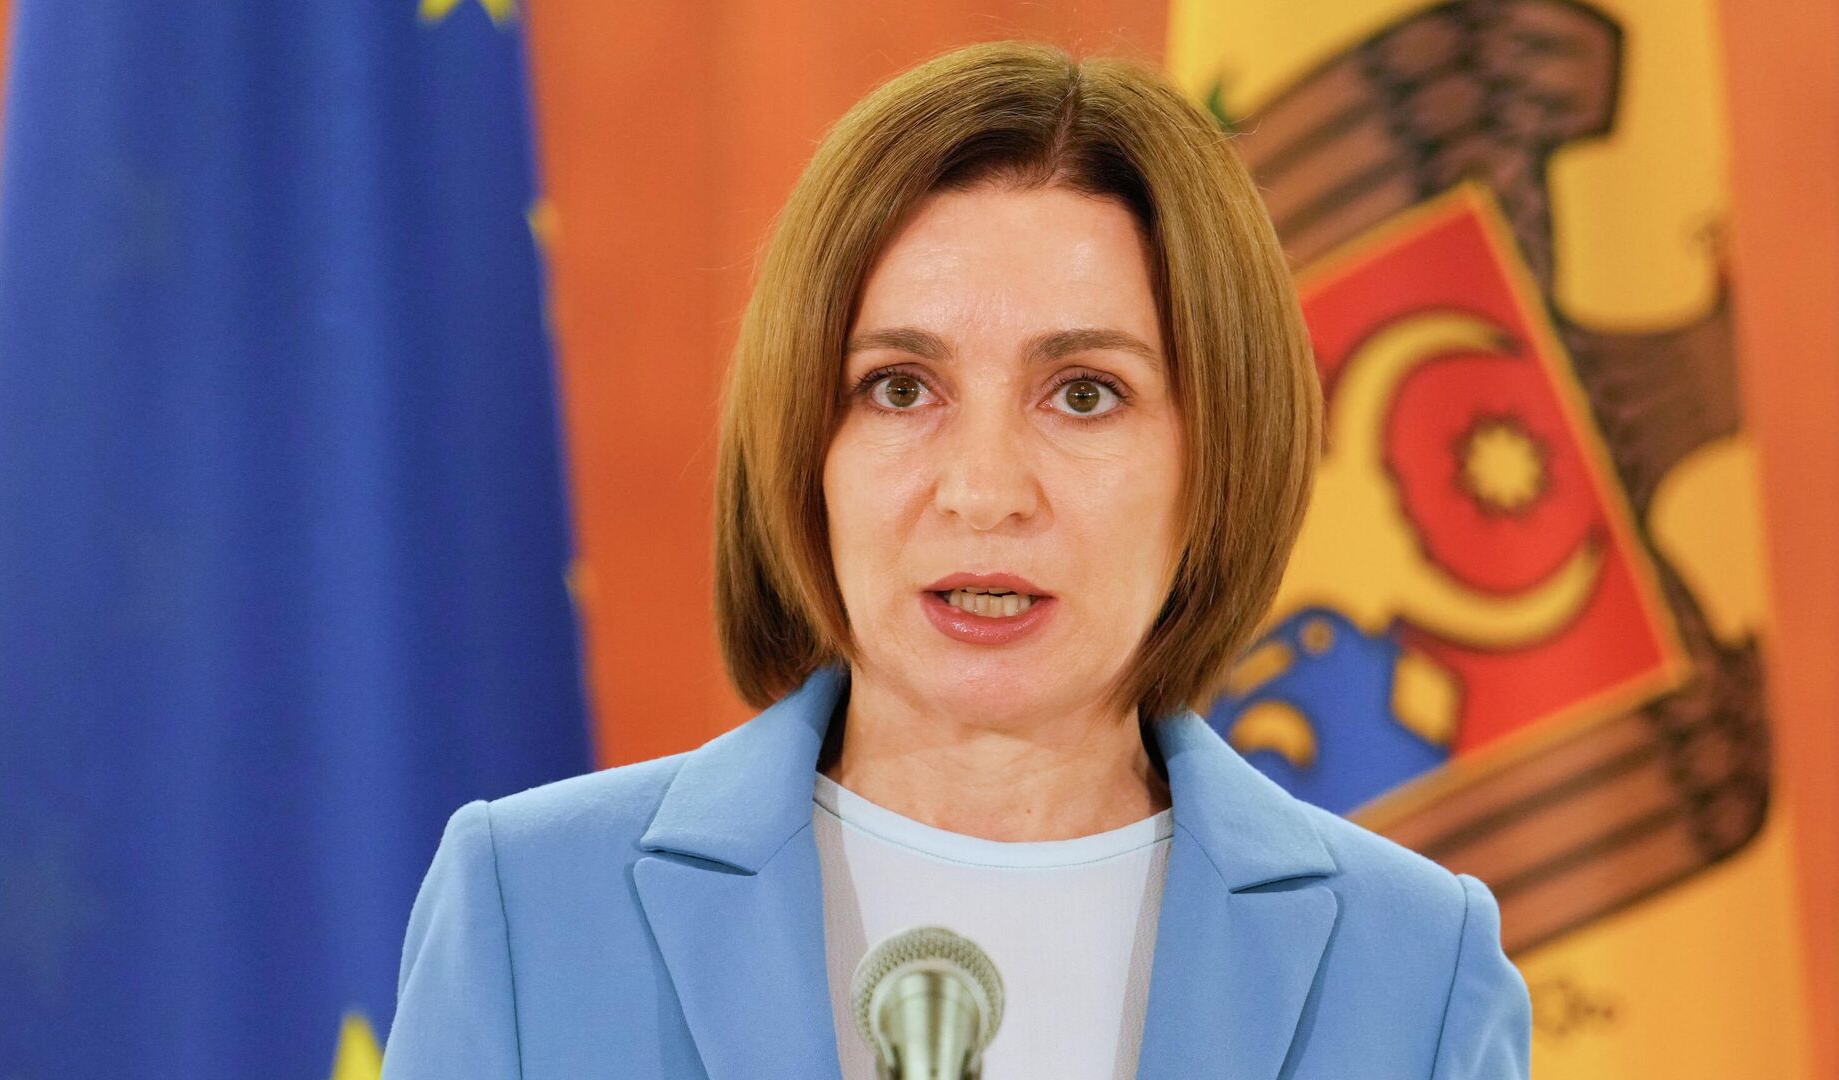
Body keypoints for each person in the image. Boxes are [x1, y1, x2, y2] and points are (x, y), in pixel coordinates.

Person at [382, 39, 1532, 1080]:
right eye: (900, 388)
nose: (984, 491)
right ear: (806, 447)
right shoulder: (530, 909)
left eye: (1085, 394)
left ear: (1219, 457)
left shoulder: (1415, 970)